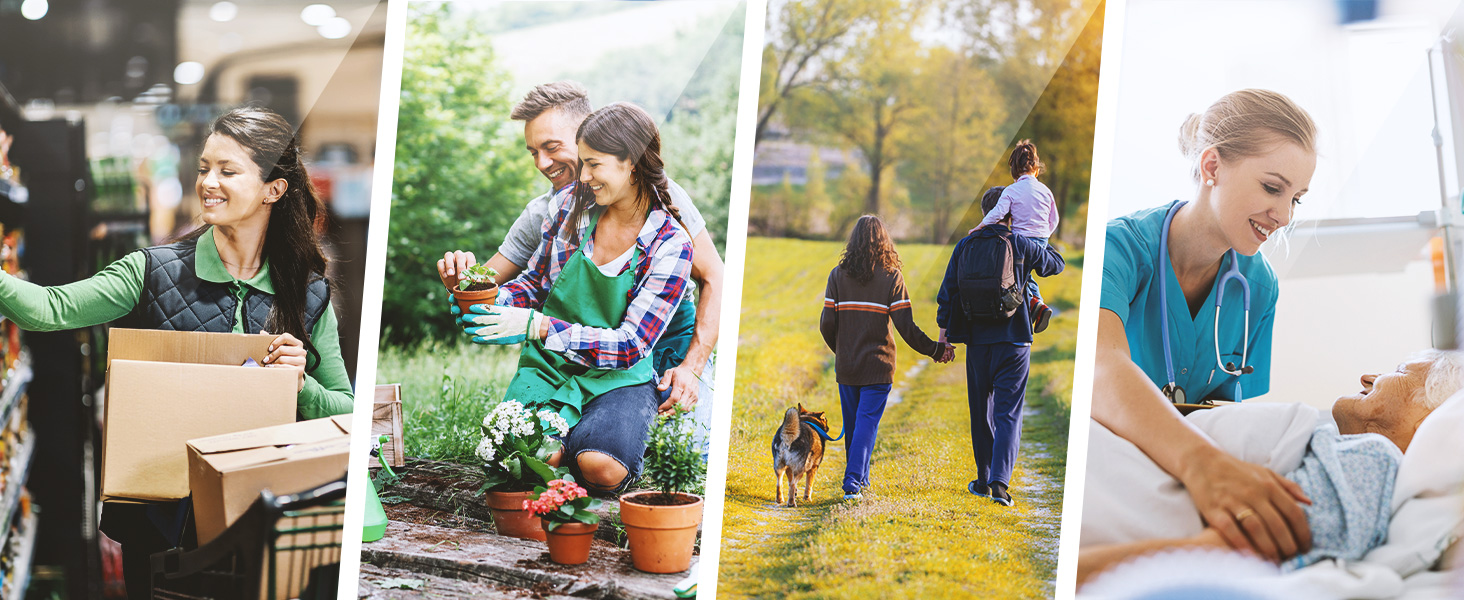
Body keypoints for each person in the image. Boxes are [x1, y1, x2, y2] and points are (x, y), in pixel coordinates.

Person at [0, 106, 353, 599]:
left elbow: (349, 412)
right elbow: (51, 308)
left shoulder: (307, 295)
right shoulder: (152, 271)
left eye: (228, 171)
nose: (209, 182)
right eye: (205, 168)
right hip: (160, 520)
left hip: (262, 517)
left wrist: (302, 384)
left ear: (274, 189)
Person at [1093, 88, 1319, 562]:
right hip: (1113, 466)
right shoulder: (1118, 249)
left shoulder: (1258, 288)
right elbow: (1101, 369)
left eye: (1296, 198)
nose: (1284, 216)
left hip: (1191, 481)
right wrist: (1202, 465)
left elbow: (1229, 415)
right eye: (1272, 188)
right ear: (1212, 167)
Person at [438, 81, 722, 414]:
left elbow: (716, 276)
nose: (541, 163)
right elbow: (491, 281)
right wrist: (462, 286)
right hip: (589, 355)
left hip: (666, 347)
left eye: (552, 147)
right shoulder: (545, 211)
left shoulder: (657, 196)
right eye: (533, 152)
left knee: (675, 456)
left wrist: (691, 367)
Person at [457, 102, 693, 493]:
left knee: (601, 466)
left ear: (631, 162)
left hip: (619, 378)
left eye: (594, 165)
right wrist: (495, 303)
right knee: (526, 460)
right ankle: (562, 444)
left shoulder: (670, 244)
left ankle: (596, 438)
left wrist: (540, 326)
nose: (582, 176)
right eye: (581, 162)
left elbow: (633, 345)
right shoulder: (570, 207)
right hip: (550, 366)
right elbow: (534, 283)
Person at [1078, 350, 1464, 586]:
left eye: (1399, 369)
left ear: (1434, 417)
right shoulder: (1351, 457)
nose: (1369, 377)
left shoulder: (1373, 464)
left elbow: (1202, 557)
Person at [937, 186, 1065, 506]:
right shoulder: (1018, 243)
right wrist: (1039, 231)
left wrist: (944, 338)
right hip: (1015, 341)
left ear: (985, 213)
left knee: (981, 412)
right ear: (1010, 213)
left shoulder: (964, 246)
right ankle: (999, 484)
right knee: (1008, 413)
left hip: (978, 343)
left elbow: (947, 294)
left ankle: (982, 478)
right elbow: (1056, 264)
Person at [819, 215, 952, 501]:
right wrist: (936, 349)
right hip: (878, 365)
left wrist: (841, 350)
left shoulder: (837, 276)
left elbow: (826, 325)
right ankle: (853, 482)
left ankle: (860, 479)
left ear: (852, 242)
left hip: (848, 365)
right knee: (865, 423)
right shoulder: (892, 276)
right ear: (884, 242)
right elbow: (906, 327)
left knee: (855, 424)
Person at [972, 140, 1061, 332]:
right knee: (1027, 275)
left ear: (1013, 172)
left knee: (1017, 276)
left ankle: (1035, 305)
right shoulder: (1046, 191)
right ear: (1036, 170)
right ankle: (1038, 305)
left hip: (1020, 241)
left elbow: (998, 213)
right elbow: (1054, 218)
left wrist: (980, 226)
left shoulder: (1011, 190)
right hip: (1042, 240)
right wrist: (1045, 236)